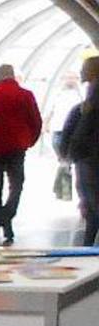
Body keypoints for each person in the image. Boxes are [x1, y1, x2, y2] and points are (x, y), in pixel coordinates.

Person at [0, 65, 43, 247]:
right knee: (17, 184)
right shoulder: (25, 96)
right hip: (17, 147)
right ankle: (6, 216)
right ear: (13, 76)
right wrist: (29, 140)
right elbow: (36, 121)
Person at [69, 56, 99, 247]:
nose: (81, 72)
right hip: (90, 153)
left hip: (90, 154)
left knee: (91, 200)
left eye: (83, 68)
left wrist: (74, 149)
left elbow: (86, 124)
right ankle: (89, 240)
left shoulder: (94, 92)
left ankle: (89, 243)